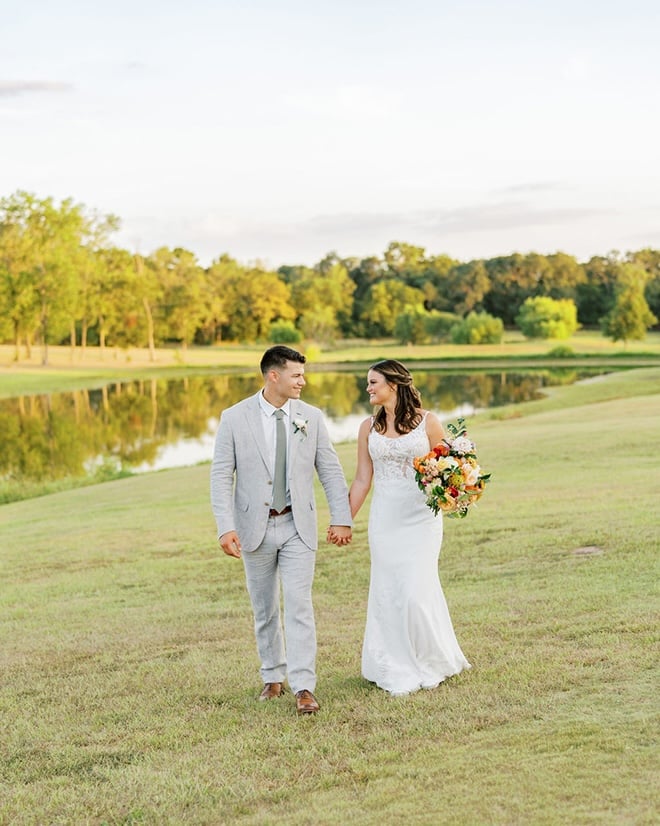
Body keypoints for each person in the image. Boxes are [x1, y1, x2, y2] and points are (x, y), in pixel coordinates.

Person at [211, 345, 352, 715]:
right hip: (252, 527)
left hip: (297, 526)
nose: (303, 381)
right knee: (265, 609)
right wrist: (225, 527)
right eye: (296, 375)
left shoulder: (313, 417)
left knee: (300, 606)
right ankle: (272, 676)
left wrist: (342, 517)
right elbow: (221, 475)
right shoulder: (234, 418)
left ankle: (304, 686)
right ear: (274, 376)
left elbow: (331, 471)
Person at [344, 359, 470, 696]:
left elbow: (449, 468)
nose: (368, 388)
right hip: (385, 520)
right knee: (389, 589)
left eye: (373, 382)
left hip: (421, 520)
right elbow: (361, 479)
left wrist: (453, 491)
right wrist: (344, 519)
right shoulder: (366, 428)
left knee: (416, 589)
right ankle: (390, 660)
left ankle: (430, 658)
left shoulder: (428, 422)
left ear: (394, 384)